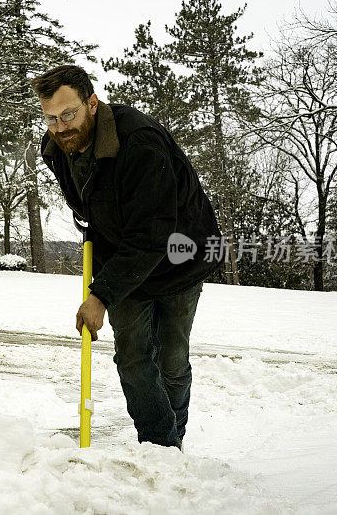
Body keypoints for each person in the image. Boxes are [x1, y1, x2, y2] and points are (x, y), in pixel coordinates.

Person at [32, 65, 223, 450]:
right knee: (134, 359)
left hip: (179, 255)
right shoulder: (56, 147)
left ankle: (172, 440)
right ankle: (160, 447)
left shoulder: (140, 143)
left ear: (92, 103)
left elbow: (152, 233)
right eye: (51, 118)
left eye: (68, 114)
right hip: (125, 257)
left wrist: (100, 295)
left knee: (171, 360)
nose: (60, 126)